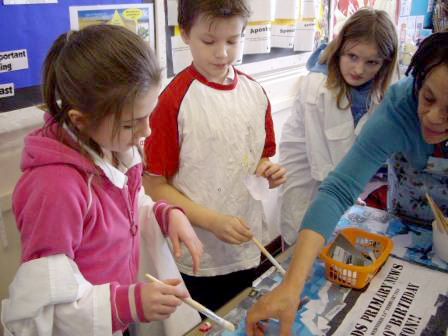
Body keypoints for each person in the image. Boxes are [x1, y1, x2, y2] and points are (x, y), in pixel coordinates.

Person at [1, 24, 203, 335]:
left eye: (149, 115)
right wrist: (128, 304)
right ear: (79, 120)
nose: (147, 131)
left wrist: (164, 213)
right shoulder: (55, 190)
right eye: (131, 124)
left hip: (113, 317)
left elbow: (127, 203)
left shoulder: (113, 145)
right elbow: (46, 307)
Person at [246, 31, 448, 336]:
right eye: (428, 98)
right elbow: (339, 189)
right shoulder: (399, 107)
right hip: (404, 224)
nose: (433, 117)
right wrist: (291, 284)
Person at [144, 0, 287, 312]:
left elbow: (256, 157)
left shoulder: (254, 93)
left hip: (246, 241)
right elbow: (155, 185)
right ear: (185, 33)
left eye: (233, 41)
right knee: (212, 319)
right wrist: (212, 221)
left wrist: (267, 170)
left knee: (244, 310)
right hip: (200, 251)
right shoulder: (172, 102)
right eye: (209, 41)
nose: (222, 53)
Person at [278, 8, 398, 246]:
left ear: (384, 64)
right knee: (300, 247)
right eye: (352, 56)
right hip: (309, 186)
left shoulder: (376, 88)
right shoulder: (318, 87)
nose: (359, 69)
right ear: (339, 48)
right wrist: (352, 192)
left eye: (371, 62)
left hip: (339, 184)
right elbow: (325, 165)